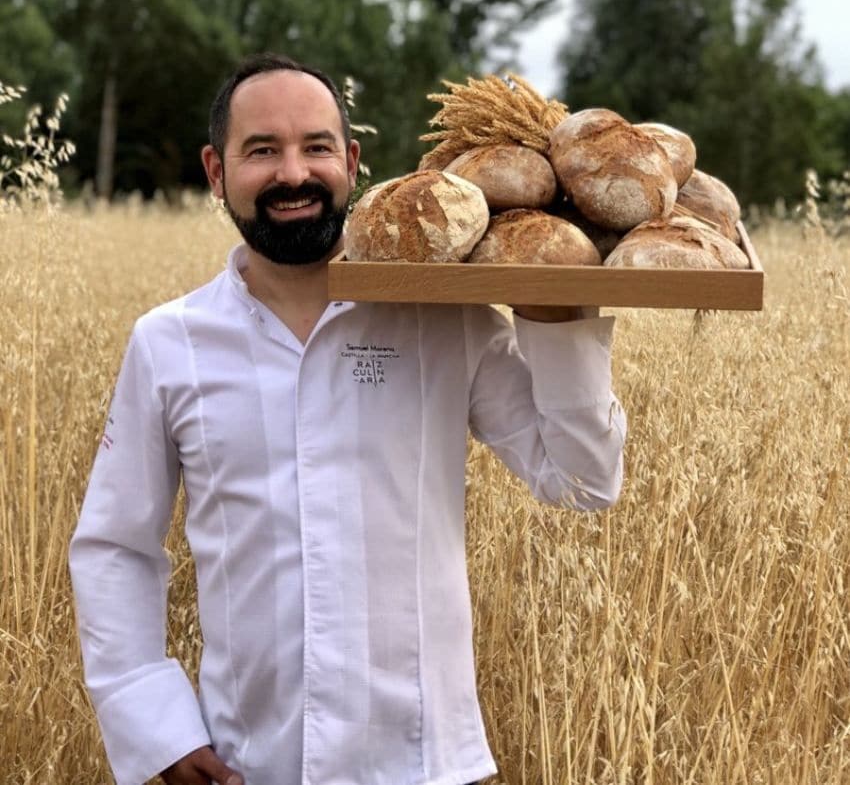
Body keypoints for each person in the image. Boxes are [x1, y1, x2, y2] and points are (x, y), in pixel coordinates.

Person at [69, 52, 627, 785]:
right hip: (248, 760)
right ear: (215, 171)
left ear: (352, 161)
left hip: (427, 764)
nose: (292, 174)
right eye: (261, 150)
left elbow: (584, 479)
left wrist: (552, 306)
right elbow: (115, 547)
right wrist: (156, 726)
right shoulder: (170, 343)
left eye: (317, 147)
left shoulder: (442, 320)